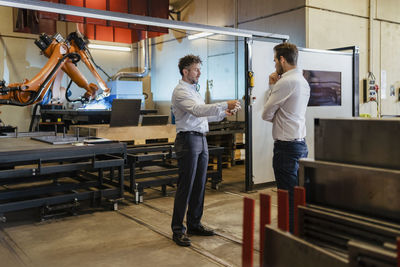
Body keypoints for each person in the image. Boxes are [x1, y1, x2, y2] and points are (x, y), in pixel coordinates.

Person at [171, 54, 240, 247]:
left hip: (200, 139)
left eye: (199, 69)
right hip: (188, 140)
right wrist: (225, 104)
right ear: (185, 72)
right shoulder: (180, 91)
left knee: (200, 184)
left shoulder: (194, 91)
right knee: (186, 186)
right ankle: (178, 230)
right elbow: (197, 110)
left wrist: (223, 113)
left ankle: (194, 223)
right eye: (196, 69)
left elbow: (202, 116)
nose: (199, 72)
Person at [261, 42, 310, 233]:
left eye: (275, 60)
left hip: (285, 149)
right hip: (300, 145)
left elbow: (266, 114)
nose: (274, 65)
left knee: (287, 195)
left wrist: (272, 86)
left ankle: (289, 236)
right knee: (297, 193)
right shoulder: (302, 81)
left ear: (282, 59)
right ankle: (298, 229)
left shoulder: (285, 82)